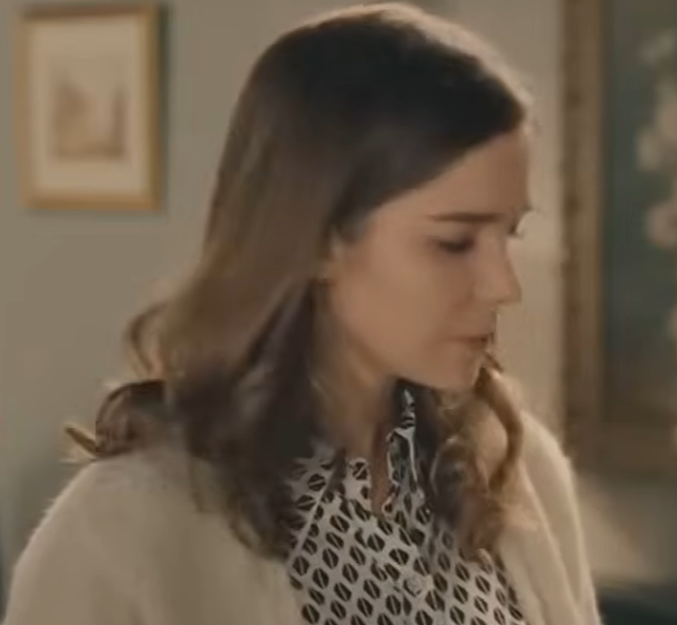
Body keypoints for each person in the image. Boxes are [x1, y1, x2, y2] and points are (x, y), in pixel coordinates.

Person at [3, 4, 600, 625]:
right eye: (454, 242)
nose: (503, 285)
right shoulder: (124, 536)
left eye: (510, 233)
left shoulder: (514, 476)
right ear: (316, 241)